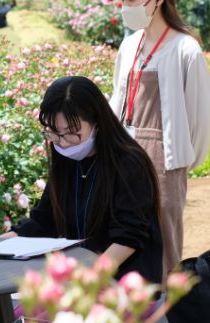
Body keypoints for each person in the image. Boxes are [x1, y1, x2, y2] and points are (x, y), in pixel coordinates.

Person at [109, 0, 210, 277]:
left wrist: (180, 161)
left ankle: (166, 321)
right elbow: (117, 100)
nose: (125, 7)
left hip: (163, 159)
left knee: (165, 243)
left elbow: (198, 117)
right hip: (123, 153)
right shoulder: (129, 46)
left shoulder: (185, 49)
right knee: (122, 237)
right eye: (122, 0)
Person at [10, 76, 163, 284]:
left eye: (72, 134)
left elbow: (128, 238)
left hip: (123, 285)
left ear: (97, 123)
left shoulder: (128, 163)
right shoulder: (67, 161)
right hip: (79, 280)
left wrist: (88, 280)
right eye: (54, 133)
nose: (63, 143)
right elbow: (42, 221)